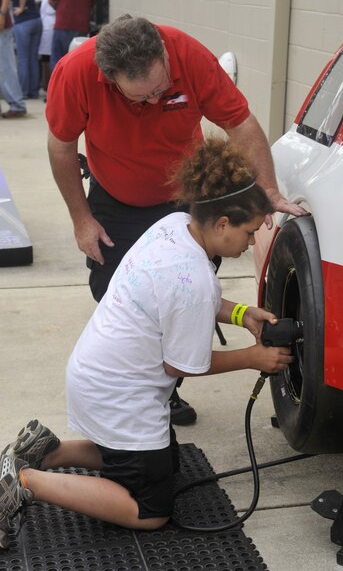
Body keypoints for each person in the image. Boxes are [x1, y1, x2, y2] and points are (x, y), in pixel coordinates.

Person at [0, 137, 294, 549]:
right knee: (150, 510)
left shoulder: (173, 228)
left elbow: (186, 299)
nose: (249, 243)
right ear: (223, 223)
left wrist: (244, 315)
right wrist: (252, 358)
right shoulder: (193, 277)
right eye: (248, 233)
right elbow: (183, 365)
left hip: (98, 372)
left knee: (164, 464)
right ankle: (25, 481)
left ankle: (46, 450)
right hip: (119, 394)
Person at [46, 14, 307, 425]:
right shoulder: (75, 72)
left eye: (160, 91)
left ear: (164, 55)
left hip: (183, 197)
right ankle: (143, 380)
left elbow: (240, 123)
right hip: (116, 195)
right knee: (114, 289)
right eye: (139, 98)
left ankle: (164, 393)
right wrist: (82, 220)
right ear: (109, 77)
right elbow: (61, 147)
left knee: (185, 294)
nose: (152, 103)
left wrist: (269, 191)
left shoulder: (188, 56)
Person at [48, 0, 96, 72]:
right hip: (81, 26)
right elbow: (93, 1)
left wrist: (58, 7)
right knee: (77, 61)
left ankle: (58, 85)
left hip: (63, 24)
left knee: (57, 60)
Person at [9, 0, 42, 99]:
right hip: (36, 21)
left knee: (23, 58)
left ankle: (23, 92)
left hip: (23, 22)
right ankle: (33, 91)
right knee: (33, 58)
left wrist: (21, 8)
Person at [0, 0, 27, 118]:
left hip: (1, 27)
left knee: (6, 66)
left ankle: (17, 104)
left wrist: (2, 14)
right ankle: (17, 104)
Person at [38, 0, 55, 96]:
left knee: (48, 57)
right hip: (47, 25)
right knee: (45, 57)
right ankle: (46, 85)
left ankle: (48, 85)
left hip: (50, 26)